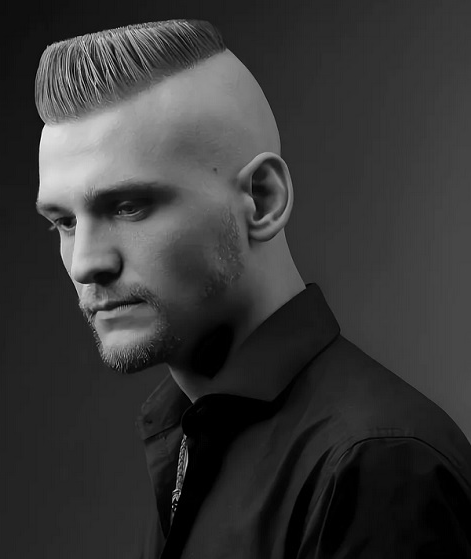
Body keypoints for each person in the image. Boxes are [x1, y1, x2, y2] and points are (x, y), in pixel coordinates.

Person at [34, 19, 471, 559]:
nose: (85, 263)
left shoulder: (375, 467)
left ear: (262, 200)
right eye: (64, 222)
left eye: (129, 207)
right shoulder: (191, 435)